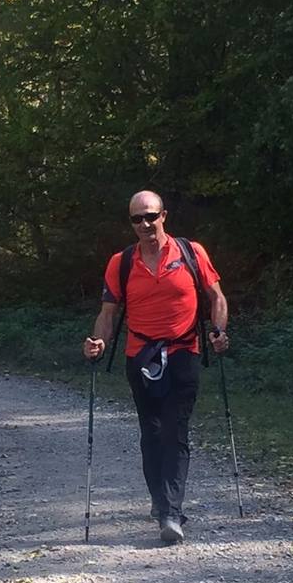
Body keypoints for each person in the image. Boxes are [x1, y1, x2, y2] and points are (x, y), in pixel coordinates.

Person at [82, 191, 230, 545]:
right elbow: (109, 313)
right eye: (137, 219)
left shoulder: (191, 253)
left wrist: (219, 332)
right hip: (141, 355)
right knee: (151, 433)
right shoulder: (122, 262)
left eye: (151, 216)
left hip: (183, 352)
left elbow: (217, 298)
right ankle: (160, 499)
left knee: (174, 431)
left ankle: (171, 512)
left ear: (164, 215)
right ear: (131, 223)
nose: (145, 224)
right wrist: (97, 342)